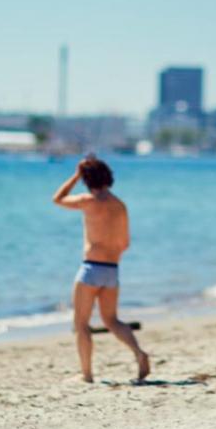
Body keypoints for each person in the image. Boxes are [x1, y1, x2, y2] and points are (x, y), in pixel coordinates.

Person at [52, 157, 150, 383]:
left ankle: (86, 375)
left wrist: (75, 176)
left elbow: (58, 199)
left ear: (87, 180)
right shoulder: (120, 205)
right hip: (112, 270)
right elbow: (125, 243)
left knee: (81, 324)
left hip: (91, 269)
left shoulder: (88, 201)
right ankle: (139, 353)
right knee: (112, 321)